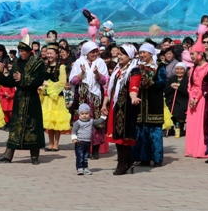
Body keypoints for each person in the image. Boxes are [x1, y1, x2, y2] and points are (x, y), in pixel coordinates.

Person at [0, 29, 46, 165]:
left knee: (33, 127)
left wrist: (23, 78)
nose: (21, 53)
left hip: (32, 99)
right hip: (20, 98)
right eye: (20, 51)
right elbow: (12, 81)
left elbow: (38, 80)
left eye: (24, 51)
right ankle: (8, 155)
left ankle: (34, 156)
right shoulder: (17, 63)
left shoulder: (38, 63)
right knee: (15, 127)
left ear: (30, 51)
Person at [103, 44, 140, 175]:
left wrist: (134, 97)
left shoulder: (134, 70)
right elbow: (109, 88)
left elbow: (133, 88)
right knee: (117, 135)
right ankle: (125, 162)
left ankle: (123, 163)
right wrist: (104, 104)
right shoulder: (117, 69)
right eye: (118, 54)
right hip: (115, 106)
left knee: (123, 136)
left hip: (126, 107)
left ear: (129, 56)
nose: (119, 57)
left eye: (122, 54)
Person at [69, 41, 109, 158]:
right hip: (82, 97)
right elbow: (73, 81)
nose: (95, 54)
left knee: (97, 123)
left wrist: (97, 74)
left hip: (96, 96)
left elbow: (104, 81)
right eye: (92, 52)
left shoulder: (100, 62)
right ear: (86, 52)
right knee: (82, 122)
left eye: (96, 51)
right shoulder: (79, 62)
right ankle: (83, 149)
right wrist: (82, 73)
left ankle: (95, 150)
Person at [132, 44, 167, 167]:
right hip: (140, 103)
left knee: (155, 132)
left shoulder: (160, 66)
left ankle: (157, 158)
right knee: (140, 132)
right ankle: (143, 158)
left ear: (151, 53)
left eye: (144, 53)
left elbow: (163, 83)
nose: (142, 55)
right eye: (140, 53)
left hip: (154, 102)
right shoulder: (136, 67)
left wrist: (152, 82)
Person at [41, 43, 70, 152]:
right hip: (47, 97)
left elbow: (62, 82)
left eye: (51, 53)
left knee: (56, 121)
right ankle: (50, 143)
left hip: (57, 97)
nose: (49, 55)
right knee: (49, 121)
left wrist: (49, 85)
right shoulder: (45, 66)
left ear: (57, 54)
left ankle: (56, 143)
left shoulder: (61, 67)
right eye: (47, 53)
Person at [71, 103, 104, 175]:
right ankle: (79, 168)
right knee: (80, 156)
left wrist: (103, 117)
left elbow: (98, 121)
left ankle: (85, 168)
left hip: (87, 142)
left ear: (89, 114)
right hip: (79, 142)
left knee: (86, 156)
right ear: (79, 114)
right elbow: (73, 131)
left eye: (86, 113)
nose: (84, 115)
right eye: (82, 113)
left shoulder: (91, 121)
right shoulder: (77, 123)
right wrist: (74, 138)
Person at [165, 63, 189, 137]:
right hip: (171, 100)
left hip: (182, 101)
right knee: (169, 110)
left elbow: (188, 92)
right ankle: (170, 129)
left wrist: (180, 86)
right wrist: (171, 87)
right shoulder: (171, 79)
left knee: (179, 110)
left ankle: (180, 129)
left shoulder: (187, 79)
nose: (179, 71)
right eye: (177, 69)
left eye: (181, 69)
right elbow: (165, 91)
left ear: (185, 70)